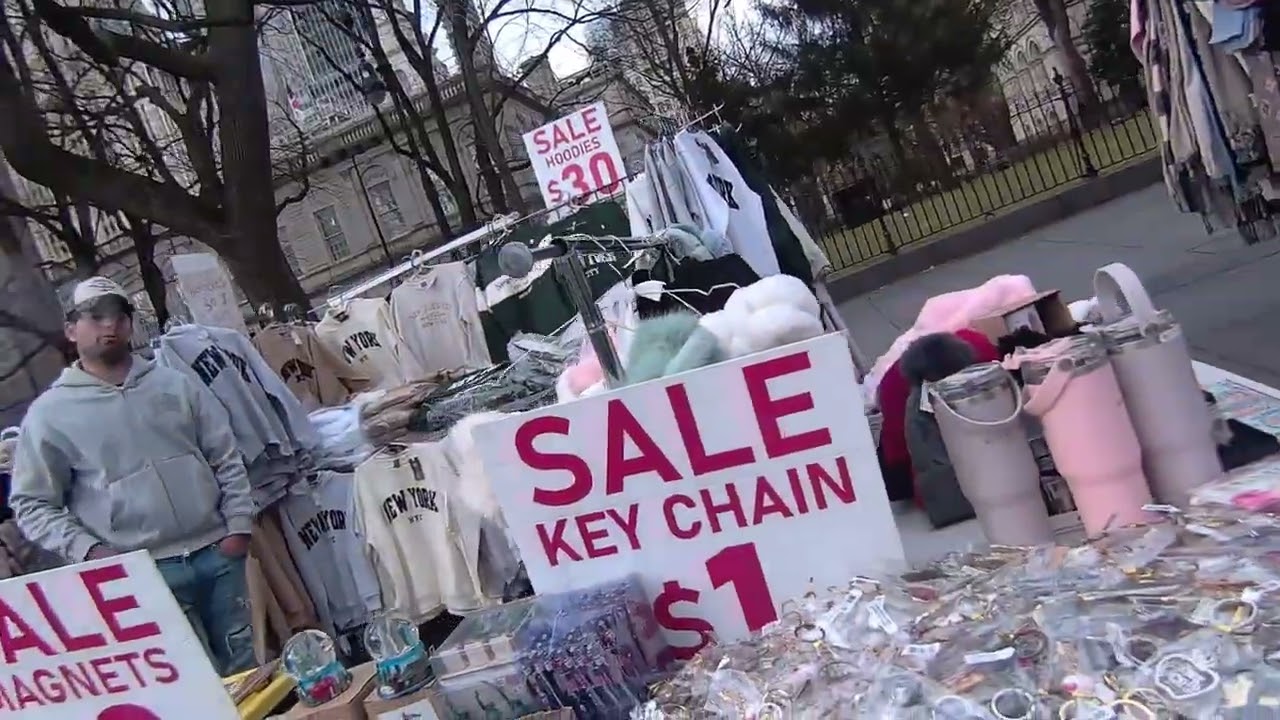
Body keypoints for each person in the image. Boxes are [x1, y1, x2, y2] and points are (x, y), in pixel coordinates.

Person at [10, 277, 257, 675]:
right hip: (141, 572)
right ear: (71, 329)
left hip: (216, 553)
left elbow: (225, 454)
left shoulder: (175, 385)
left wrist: (239, 526)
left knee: (249, 672)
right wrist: (91, 551)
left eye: (119, 315)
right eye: (95, 316)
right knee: (193, 682)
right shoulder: (49, 414)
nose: (109, 325)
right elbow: (32, 503)